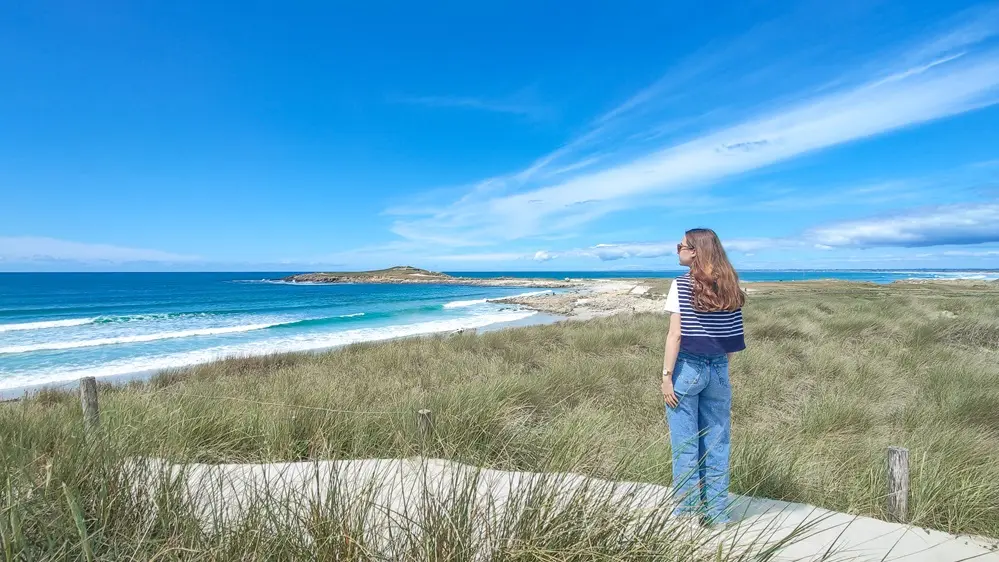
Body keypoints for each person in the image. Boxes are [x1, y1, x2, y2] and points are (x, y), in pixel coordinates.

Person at [661, 228, 746, 527]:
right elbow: (731, 337)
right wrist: (721, 369)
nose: (677, 250)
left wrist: (666, 376)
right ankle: (718, 514)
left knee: (685, 446)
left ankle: (687, 516)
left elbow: (676, 335)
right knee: (717, 443)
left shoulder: (681, 285)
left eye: (680, 245)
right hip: (720, 369)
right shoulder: (731, 285)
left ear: (695, 250)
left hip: (688, 369)